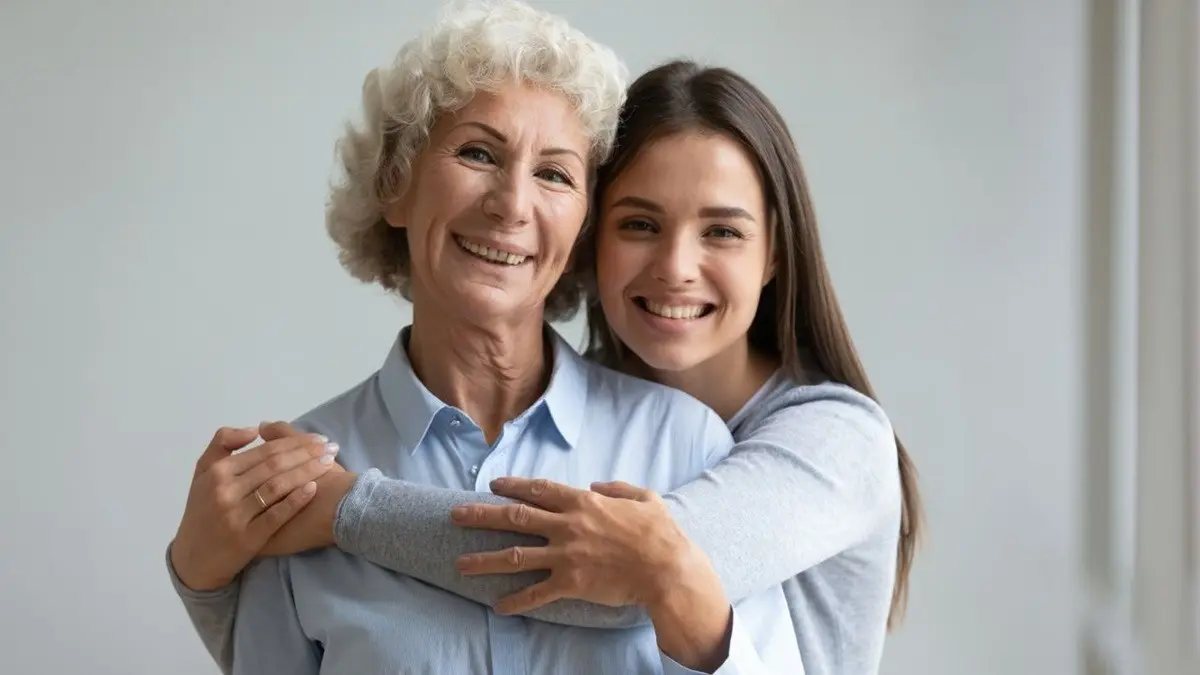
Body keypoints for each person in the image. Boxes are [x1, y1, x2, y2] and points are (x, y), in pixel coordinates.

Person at [168, 9, 923, 675]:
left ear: (575, 223)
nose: (511, 204)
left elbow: (626, 583)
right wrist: (202, 573)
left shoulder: (719, 443)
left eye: (555, 174)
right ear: (395, 182)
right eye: (477, 154)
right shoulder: (289, 477)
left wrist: (349, 513)